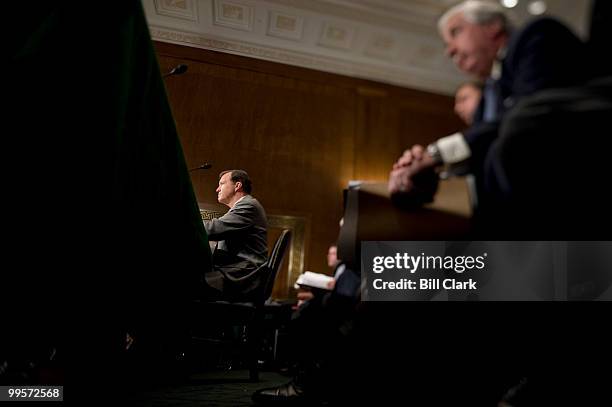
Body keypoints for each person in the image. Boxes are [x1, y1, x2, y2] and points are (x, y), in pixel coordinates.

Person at [388, 0, 590, 236]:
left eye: (455, 32)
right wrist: (424, 175)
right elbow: (484, 158)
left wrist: (436, 153)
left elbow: (527, 120)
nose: (449, 50)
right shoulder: (488, 97)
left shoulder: (537, 36)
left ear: (493, 26)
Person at [204, 170, 268, 301]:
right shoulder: (243, 206)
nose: (217, 189)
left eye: (221, 184)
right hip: (237, 271)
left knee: (187, 282)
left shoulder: (248, 206)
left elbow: (213, 230)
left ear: (237, 185)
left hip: (243, 277)